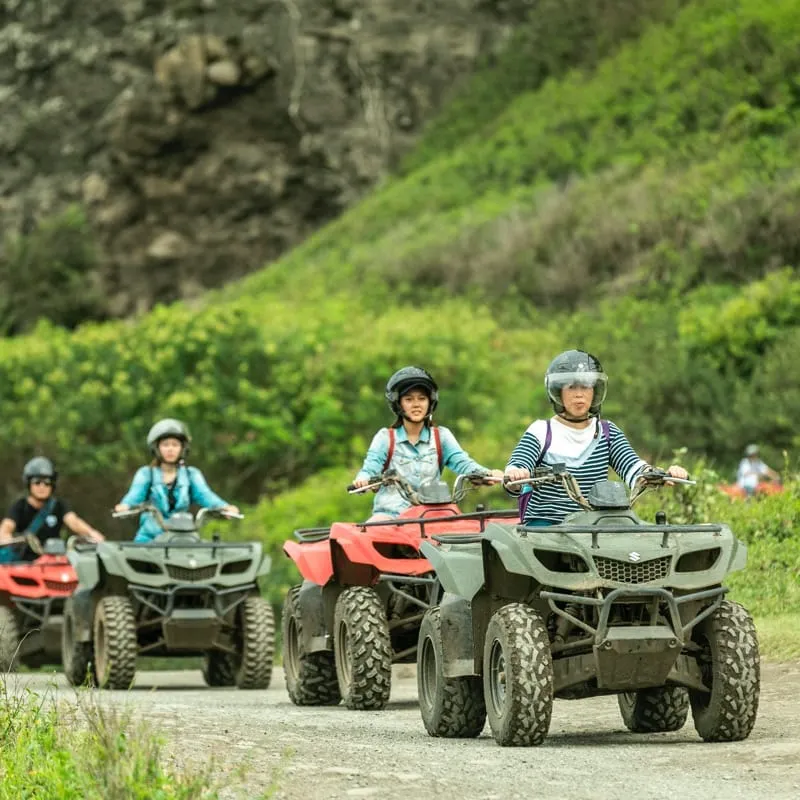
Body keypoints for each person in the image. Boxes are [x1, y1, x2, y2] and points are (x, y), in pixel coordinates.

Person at [504, 350, 688, 525]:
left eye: (585, 386)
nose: (579, 394)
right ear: (558, 391)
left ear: (595, 391)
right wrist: (516, 474)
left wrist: (659, 474)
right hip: (546, 527)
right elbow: (518, 465)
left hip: (594, 526)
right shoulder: (542, 431)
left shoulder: (607, 432)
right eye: (571, 387)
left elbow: (632, 467)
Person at [352, 366, 504, 520]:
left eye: (422, 398)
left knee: (469, 529)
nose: (416, 404)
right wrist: (363, 480)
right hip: (391, 517)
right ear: (398, 403)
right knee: (370, 530)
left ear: (430, 402)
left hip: (432, 516)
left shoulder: (441, 436)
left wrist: (487, 474)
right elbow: (371, 467)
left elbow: (463, 463)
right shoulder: (385, 437)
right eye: (409, 399)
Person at [114, 419, 239, 543]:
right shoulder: (146, 473)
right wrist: (126, 505)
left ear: (182, 448)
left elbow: (205, 495)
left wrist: (224, 507)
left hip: (182, 536)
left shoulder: (191, 474)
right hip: (149, 539)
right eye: (165, 445)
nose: (170, 449)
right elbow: (135, 494)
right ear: (156, 448)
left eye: (175, 445)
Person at [0, 457, 105, 561]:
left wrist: (92, 534)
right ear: (29, 484)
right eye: (37, 482)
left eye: (47, 482)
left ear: (52, 485)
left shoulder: (59, 505)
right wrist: (6, 539)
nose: (42, 487)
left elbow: (74, 522)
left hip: (54, 562)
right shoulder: (20, 506)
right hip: (25, 564)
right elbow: (7, 527)